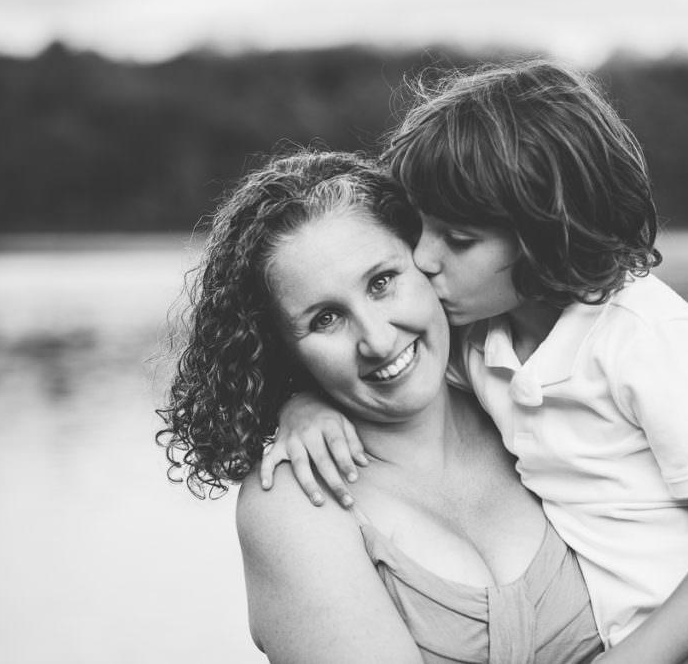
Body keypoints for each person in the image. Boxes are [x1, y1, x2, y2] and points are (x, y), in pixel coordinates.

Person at [260, 61, 688, 664]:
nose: (423, 256)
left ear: (545, 235)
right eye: (422, 229)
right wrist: (302, 404)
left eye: (459, 239)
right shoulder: (481, 340)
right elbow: (383, 366)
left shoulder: (647, 340)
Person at [157, 149, 604, 664]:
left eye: (382, 282)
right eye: (325, 319)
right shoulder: (296, 502)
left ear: (428, 258)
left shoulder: (536, 392)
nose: (376, 339)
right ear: (280, 347)